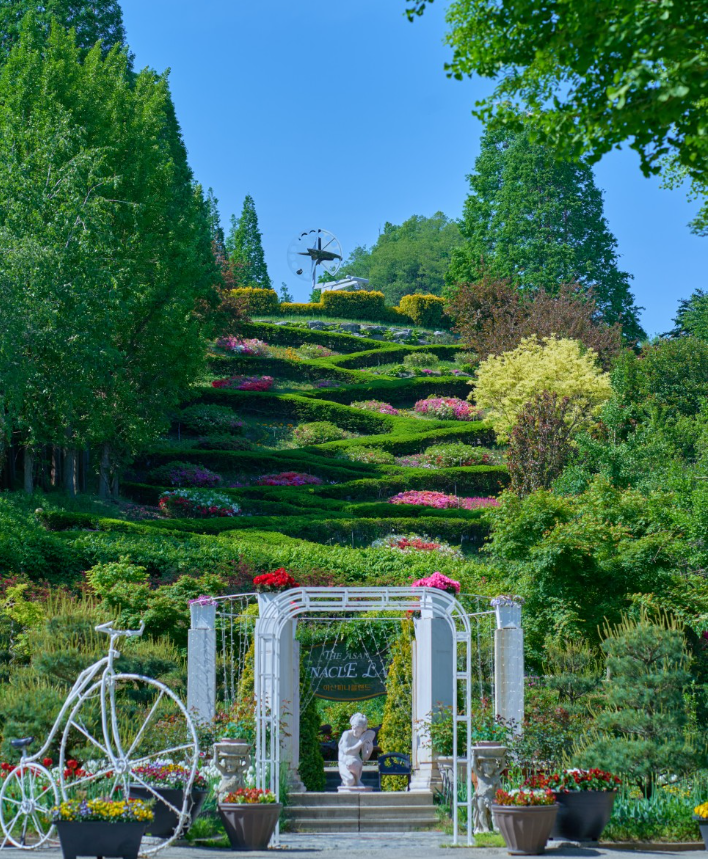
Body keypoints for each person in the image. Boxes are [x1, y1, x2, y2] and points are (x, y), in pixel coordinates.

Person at [338, 712, 376, 789]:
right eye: (353, 729)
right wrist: (360, 743)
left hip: (355, 762)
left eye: (358, 730)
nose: (355, 732)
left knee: (352, 762)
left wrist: (370, 749)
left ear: (363, 729)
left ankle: (357, 779)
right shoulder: (347, 734)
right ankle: (348, 780)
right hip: (344, 762)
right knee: (350, 782)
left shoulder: (363, 736)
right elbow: (346, 751)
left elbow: (364, 758)